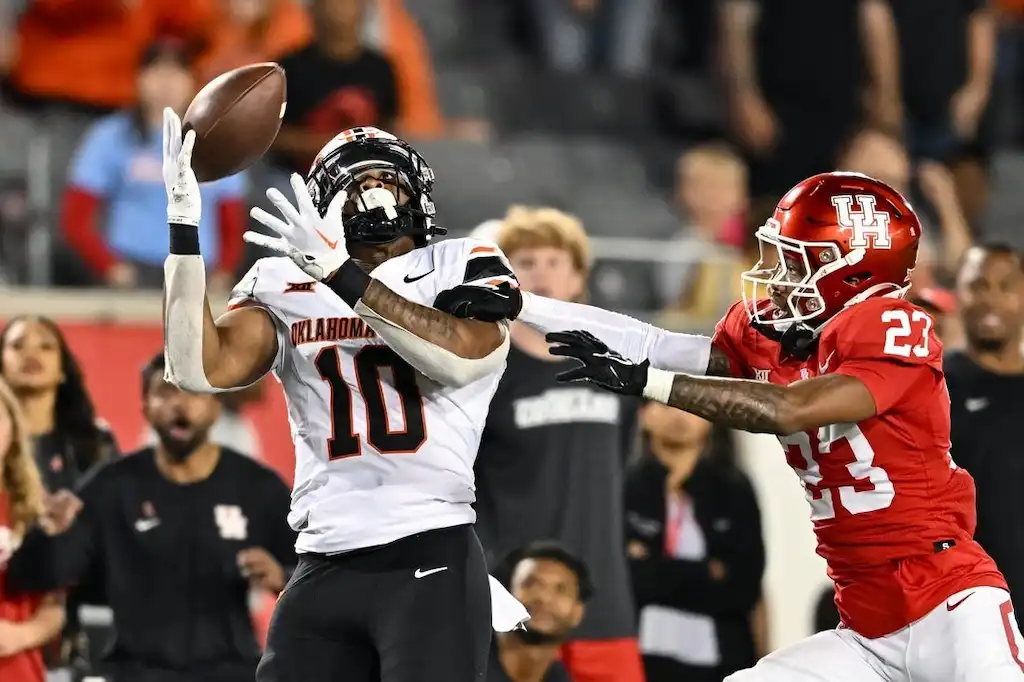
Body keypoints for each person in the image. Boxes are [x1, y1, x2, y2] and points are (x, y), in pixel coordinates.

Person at [442, 171, 1024, 681]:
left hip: (948, 602)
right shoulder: (783, 336)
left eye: (794, 260)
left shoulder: (892, 325)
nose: (771, 275)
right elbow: (658, 342)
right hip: (866, 623)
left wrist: (644, 382)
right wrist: (520, 305)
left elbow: (788, 408)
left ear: (849, 271)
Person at [160, 114, 528, 682]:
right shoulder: (283, 280)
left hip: (428, 546)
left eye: (388, 179)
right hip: (323, 555)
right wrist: (184, 232)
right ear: (323, 204)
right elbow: (195, 369)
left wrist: (340, 276)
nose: (374, 194)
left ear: (419, 191)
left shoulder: (462, 263)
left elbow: (461, 358)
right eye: (355, 184)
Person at [24, 352, 296, 682]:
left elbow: (313, 578)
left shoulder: (258, 487)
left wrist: (281, 577)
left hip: (231, 670)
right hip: (134, 671)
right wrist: (49, 534)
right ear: (145, 407)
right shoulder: (112, 487)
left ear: (215, 407)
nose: (180, 405)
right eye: (166, 393)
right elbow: (43, 576)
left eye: (194, 392)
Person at [474, 206, 644, 682]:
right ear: (505, 280)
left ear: (578, 279)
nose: (542, 274)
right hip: (512, 604)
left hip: (602, 599)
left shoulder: (614, 370)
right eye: (526, 263)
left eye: (555, 262)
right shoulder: (479, 373)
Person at [626, 404, 764, 682]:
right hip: (640, 662)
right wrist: (705, 572)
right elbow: (624, 582)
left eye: (690, 405)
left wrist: (654, 566)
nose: (679, 415)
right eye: (666, 404)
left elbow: (744, 588)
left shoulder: (734, 489)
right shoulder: (624, 486)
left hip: (724, 662)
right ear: (642, 413)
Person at [946, 245, 1024, 625]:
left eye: (1005, 286)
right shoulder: (933, 385)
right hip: (967, 611)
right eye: (978, 285)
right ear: (958, 293)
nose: (991, 298)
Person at [0, 377, 64, 682]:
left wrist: (20, 635)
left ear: (12, 428)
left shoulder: (34, 510)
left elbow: (55, 606)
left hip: (18, 671)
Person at [489, 542, 592, 682]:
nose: (543, 598)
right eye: (531, 584)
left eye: (560, 590)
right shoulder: (461, 660)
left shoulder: (559, 677)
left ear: (578, 613)